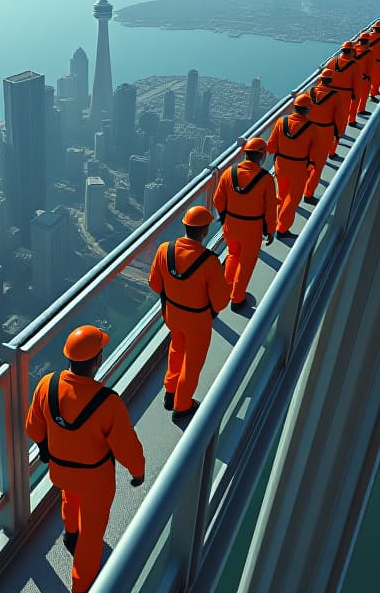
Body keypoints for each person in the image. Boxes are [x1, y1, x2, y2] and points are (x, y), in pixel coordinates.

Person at [26, 325, 145, 593]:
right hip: (95, 479)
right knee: (92, 534)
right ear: (98, 360)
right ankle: (81, 586)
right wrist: (138, 472)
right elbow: (127, 448)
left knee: (70, 497)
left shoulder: (47, 384)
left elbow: (33, 427)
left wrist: (46, 450)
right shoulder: (108, 403)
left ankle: (70, 534)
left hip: (61, 471)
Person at [148, 205, 229, 421]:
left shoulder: (165, 249)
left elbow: (154, 284)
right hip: (197, 320)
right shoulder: (210, 262)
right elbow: (221, 301)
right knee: (192, 363)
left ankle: (170, 392)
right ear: (204, 231)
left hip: (172, 315)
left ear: (185, 225)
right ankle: (182, 405)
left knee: (177, 349)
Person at [212, 137, 277, 311]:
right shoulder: (266, 179)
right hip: (252, 228)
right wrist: (270, 230)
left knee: (233, 255)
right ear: (262, 156)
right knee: (246, 263)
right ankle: (237, 298)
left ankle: (226, 291)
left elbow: (217, 199)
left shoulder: (229, 173)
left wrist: (225, 216)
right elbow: (270, 209)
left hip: (231, 225)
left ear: (245, 154)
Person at [266, 93, 324, 238]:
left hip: (280, 166)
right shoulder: (312, 128)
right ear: (308, 110)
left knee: (283, 195)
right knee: (292, 199)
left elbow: (271, 147)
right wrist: (312, 167)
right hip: (298, 168)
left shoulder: (281, 122)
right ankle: (282, 229)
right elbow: (315, 153)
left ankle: (276, 223)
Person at [303, 71, 339, 203]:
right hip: (325, 132)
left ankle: (302, 184)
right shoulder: (335, 96)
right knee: (318, 165)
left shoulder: (309, 92)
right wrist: (338, 133)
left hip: (308, 130)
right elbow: (339, 117)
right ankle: (308, 193)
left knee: (306, 159)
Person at [323, 43, 358, 158]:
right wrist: (355, 96)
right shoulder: (354, 65)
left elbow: (323, 77)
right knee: (339, 124)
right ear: (352, 51)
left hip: (329, 94)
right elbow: (357, 84)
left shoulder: (333, 61)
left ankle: (322, 147)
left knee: (327, 119)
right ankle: (331, 152)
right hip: (345, 95)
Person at [350, 31, 374, 125]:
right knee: (362, 96)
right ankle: (359, 112)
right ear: (368, 41)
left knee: (353, 99)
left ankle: (350, 117)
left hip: (352, 78)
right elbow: (370, 69)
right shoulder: (369, 53)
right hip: (363, 79)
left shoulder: (353, 50)